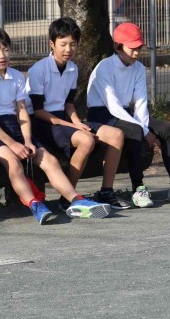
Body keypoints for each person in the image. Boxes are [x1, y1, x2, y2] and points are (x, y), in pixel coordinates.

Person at [0, 28, 111, 224]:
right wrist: (13, 144)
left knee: (49, 160)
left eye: (6, 50)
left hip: (16, 128)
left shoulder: (17, 76)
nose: (2, 56)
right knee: (13, 162)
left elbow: (22, 112)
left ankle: (76, 201)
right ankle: (35, 204)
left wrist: (27, 140)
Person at [87, 22, 170, 207]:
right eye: (132, 48)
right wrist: (143, 130)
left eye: (139, 47)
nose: (137, 52)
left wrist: (145, 127)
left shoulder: (138, 68)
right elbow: (113, 106)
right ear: (118, 46)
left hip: (124, 112)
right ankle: (138, 188)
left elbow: (140, 103)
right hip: (102, 114)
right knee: (134, 130)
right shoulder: (104, 67)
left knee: (166, 128)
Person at [26, 17, 130, 212]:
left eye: (73, 44)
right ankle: (69, 198)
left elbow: (68, 104)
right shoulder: (38, 70)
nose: (68, 49)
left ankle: (106, 191)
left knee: (116, 135)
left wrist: (76, 122)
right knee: (86, 140)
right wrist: (73, 126)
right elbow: (38, 111)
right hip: (43, 123)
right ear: (52, 44)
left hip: (64, 120)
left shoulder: (73, 69)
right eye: (63, 44)